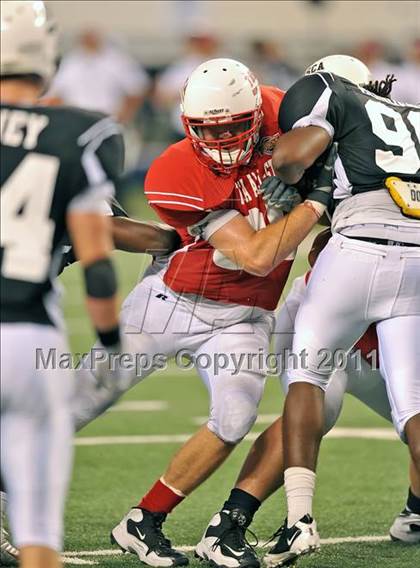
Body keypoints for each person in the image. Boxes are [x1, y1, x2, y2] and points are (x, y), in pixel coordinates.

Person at [67, 57, 336, 566]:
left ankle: (143, 520)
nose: (227, 138)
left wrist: (308, 168)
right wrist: (312, 199)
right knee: (78, 402)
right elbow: (256, 256)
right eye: (213, 129)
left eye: (237, 125)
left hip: (246, 316)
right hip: (173, 304)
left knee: (234, 419)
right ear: (189, 125)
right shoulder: (175, 168)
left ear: (258, 114)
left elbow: (334, 137)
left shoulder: (287, 114)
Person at [259, 53, 420, 567]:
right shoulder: (410, 115)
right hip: (417, 256)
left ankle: (299, 521)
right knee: (413, 405)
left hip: (358, 249)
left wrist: (298, 176)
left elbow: (291, 158)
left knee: (307, 374)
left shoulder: (333, 96)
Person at [195, 228, 420, 568]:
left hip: (381, 336)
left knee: (414, 412)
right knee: (316, 413)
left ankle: (414, 514)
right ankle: (230, 520)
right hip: (326, 319)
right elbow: (321, 242)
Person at [0, 2, 123, 567]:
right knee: (39, 536)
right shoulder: (80, 130)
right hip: (31, 342)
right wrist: (111, 341)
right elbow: (97, 263)